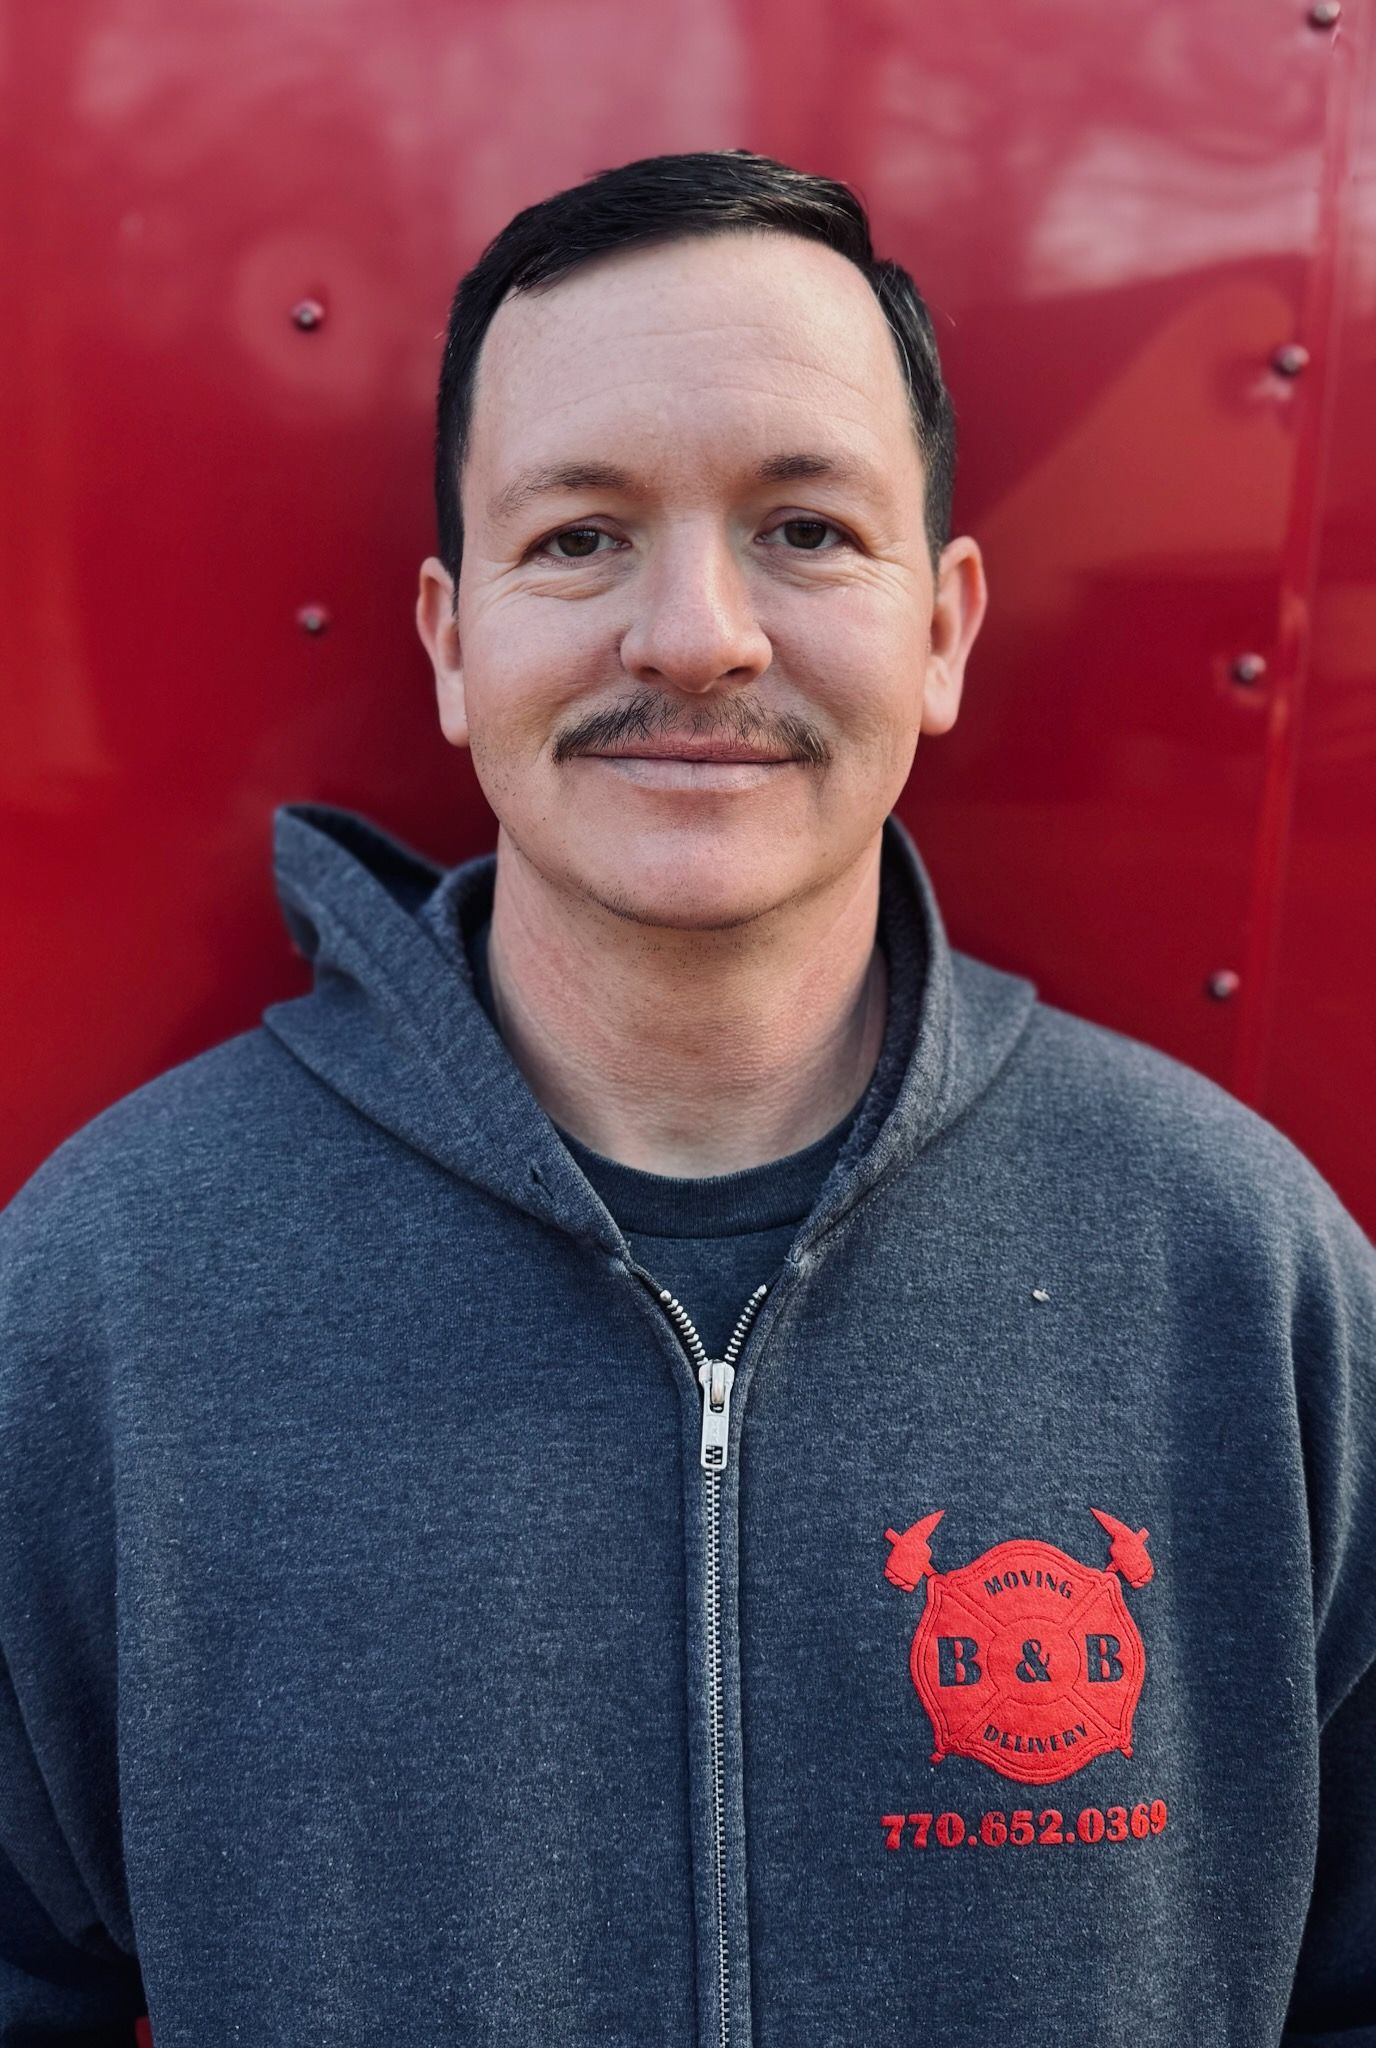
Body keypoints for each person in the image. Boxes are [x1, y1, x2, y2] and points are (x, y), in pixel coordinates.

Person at [0, 148, 1372, 2047]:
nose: (698, 635)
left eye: (805, 529)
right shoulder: (103, 1296)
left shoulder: (1243, 1274)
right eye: (579, 536)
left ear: (946, 628)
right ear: (452, 640)